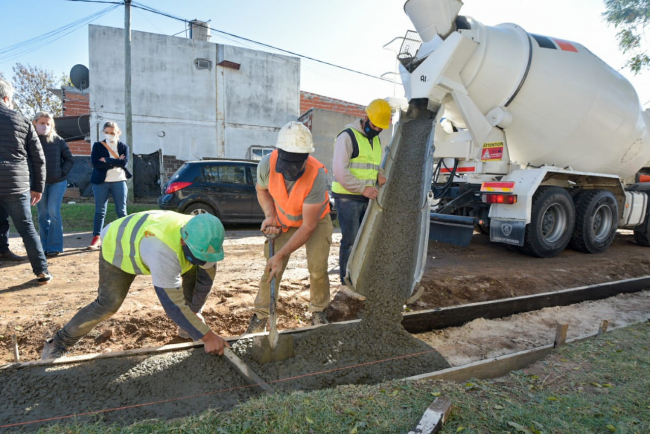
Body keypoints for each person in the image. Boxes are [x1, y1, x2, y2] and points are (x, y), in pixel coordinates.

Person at [41, 211, 229, 359]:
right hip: (119, 245)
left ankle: (188, 326)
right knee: (108, 304)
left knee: (195, 274)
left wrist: (195, 314)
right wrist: (208, 336)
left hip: (149, 239)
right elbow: (173, 304)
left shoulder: (204, 235)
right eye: (197, 256)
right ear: (182, 240)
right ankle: (59, 343)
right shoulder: (163, 251)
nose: (202, 261)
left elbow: (204, 280)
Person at [246, 121, 333, 333]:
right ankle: (261, 315)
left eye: (297, 165)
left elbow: (308, 226)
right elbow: (262, 190)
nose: (290, 171)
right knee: (271, 269)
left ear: (306, 157)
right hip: (283, 221)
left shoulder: (316, 174)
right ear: (279, 152)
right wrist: (270, 216)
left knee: (318, 269)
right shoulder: (266, 164)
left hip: (315, 222)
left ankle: (318, 311)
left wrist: (282, 253)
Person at [332, 99, 391, 300]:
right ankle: (346, 282)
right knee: (350, 241)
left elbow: (373, 165)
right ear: (366, 118)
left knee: (365, 240)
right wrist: (362, 189)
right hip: (348, 197)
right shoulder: (347, 137)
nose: (377, 130)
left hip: (365, 196)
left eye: (381, 128)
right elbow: (340, 171)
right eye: (375, 125)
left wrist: (380, 174)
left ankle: (361, 279)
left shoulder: (375, 140)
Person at [0, 78, 52, 284]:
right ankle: (41, 271)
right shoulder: (21, 120)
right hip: (16, 184)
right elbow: (38, 158)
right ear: (6, 98)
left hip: (14, 183)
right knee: (27, 228)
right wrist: (38, 187)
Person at [33, 112, 74, 257]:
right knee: (43, 215)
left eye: (48, 124)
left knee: (53, 212)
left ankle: (55, 246)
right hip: (39, 184)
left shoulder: (58, 140)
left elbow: (69, 159)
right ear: (35, 122)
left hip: (58, 182)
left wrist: (61, 173)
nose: (45, 126)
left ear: (52, 125)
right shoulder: (30, 141)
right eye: (42, 123)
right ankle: (44, 247)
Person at [89, 121, 131, 249]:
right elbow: (95, 163)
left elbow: (124, 163)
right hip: (101, 182)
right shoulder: (97, 146)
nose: (109, 135)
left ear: (118, 132)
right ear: (103, 132)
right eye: (106, 132)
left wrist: (106, 160)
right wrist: (115, 161)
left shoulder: (123, 146)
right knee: (100, 211)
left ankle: (126, 236)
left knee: (121, 211)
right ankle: (97, 237)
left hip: (119, 180)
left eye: (112, 133)